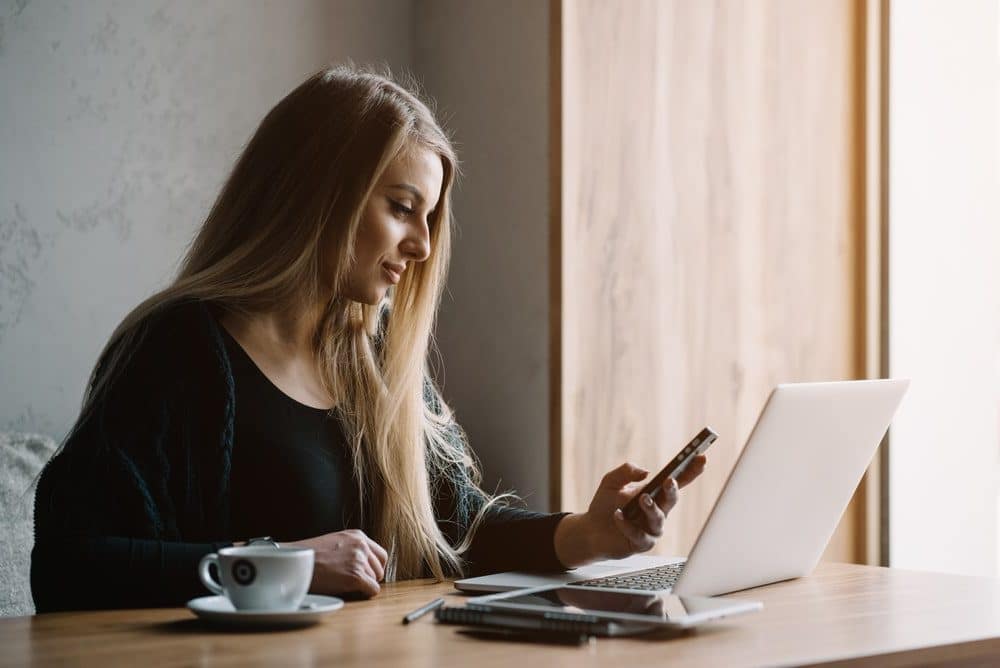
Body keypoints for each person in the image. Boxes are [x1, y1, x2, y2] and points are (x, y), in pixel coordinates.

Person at [31, 65, 707, 612]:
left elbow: (457, 532)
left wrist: (589, 534)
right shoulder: (175, 351)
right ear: (318, 192)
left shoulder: (373, 359)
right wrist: (284, 565)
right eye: (402, 207)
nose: (420, 244)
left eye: (430, 218)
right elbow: (69, 564)